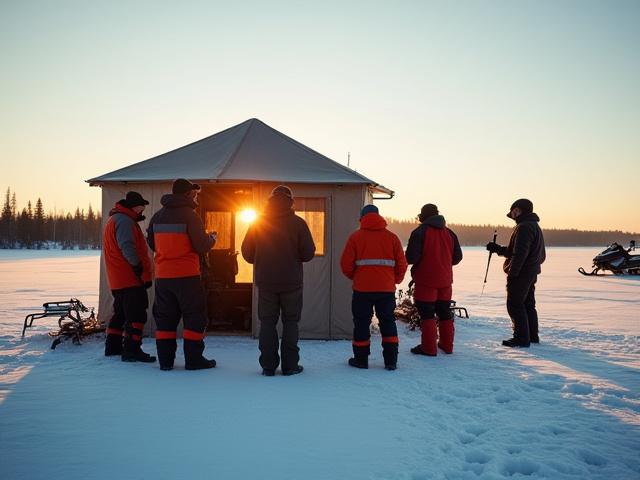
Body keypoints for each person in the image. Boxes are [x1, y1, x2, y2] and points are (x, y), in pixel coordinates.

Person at [241, 185, 315, 376]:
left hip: (266, 282)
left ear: (270, 201)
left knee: (267, 323)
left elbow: (247, 253)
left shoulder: (258, 223)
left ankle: (268, 366)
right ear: (291, 201)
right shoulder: (298, 223)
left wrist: (262, 260)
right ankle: (290, 366)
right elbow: (308, 254)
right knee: (291, 323)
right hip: (292, 283)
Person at [146, 178, 217, 370]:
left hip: (163, 278)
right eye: (194, 193)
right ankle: (194, 361)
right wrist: (212, 239)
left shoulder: (157, 216)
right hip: (187, 277)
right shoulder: (191, 216)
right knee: (194, 317)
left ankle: (166, 362)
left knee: (165, 319)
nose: (196, 196)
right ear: (187, 194)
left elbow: (152, 243)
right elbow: (201, 245)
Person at [340, 204, 408, 370]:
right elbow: (402, 263)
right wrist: (395, 280)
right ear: (379, 217)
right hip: (386, 289)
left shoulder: (355, 237)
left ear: (362, 218)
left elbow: (345, 265)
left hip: (362, 290)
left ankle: (361, 361)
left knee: (362, 323)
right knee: (388, 322)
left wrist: (356, 277)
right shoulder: (392, 238)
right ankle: (391, 361)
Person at [103, 191, 156, 363]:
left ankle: (113, 347)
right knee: (136, 315)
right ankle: (132, 350)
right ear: (133, 206)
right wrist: (138, 266)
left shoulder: (115, 220)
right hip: (130, 278)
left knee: (120, 314)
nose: (142, 211)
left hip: (118, 279)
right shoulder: (125, 222)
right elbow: (127, 246)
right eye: (141, 207)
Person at [486, 198, 546, 347]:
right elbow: (526, 253)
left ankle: (521, 338)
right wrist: (498, 249)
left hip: (522, 274)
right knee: (527, 304)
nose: (512, 215)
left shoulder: (524, 227)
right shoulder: (533, 226)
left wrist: (513, 273)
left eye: (513, 212)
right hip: (531, 272)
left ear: (518, 210)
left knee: (515, 304)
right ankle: (532, 336)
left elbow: (520, 254)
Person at [405, 204, 463, 356]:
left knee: (427, 314)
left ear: (423, 216)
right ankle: (447, 346)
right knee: (444, 312)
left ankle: (429, 348)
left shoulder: (420, 232)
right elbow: (458, 257)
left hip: (425, 281)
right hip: (445, 281)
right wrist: (443, 262)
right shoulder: (450, 233)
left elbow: (411, 257)